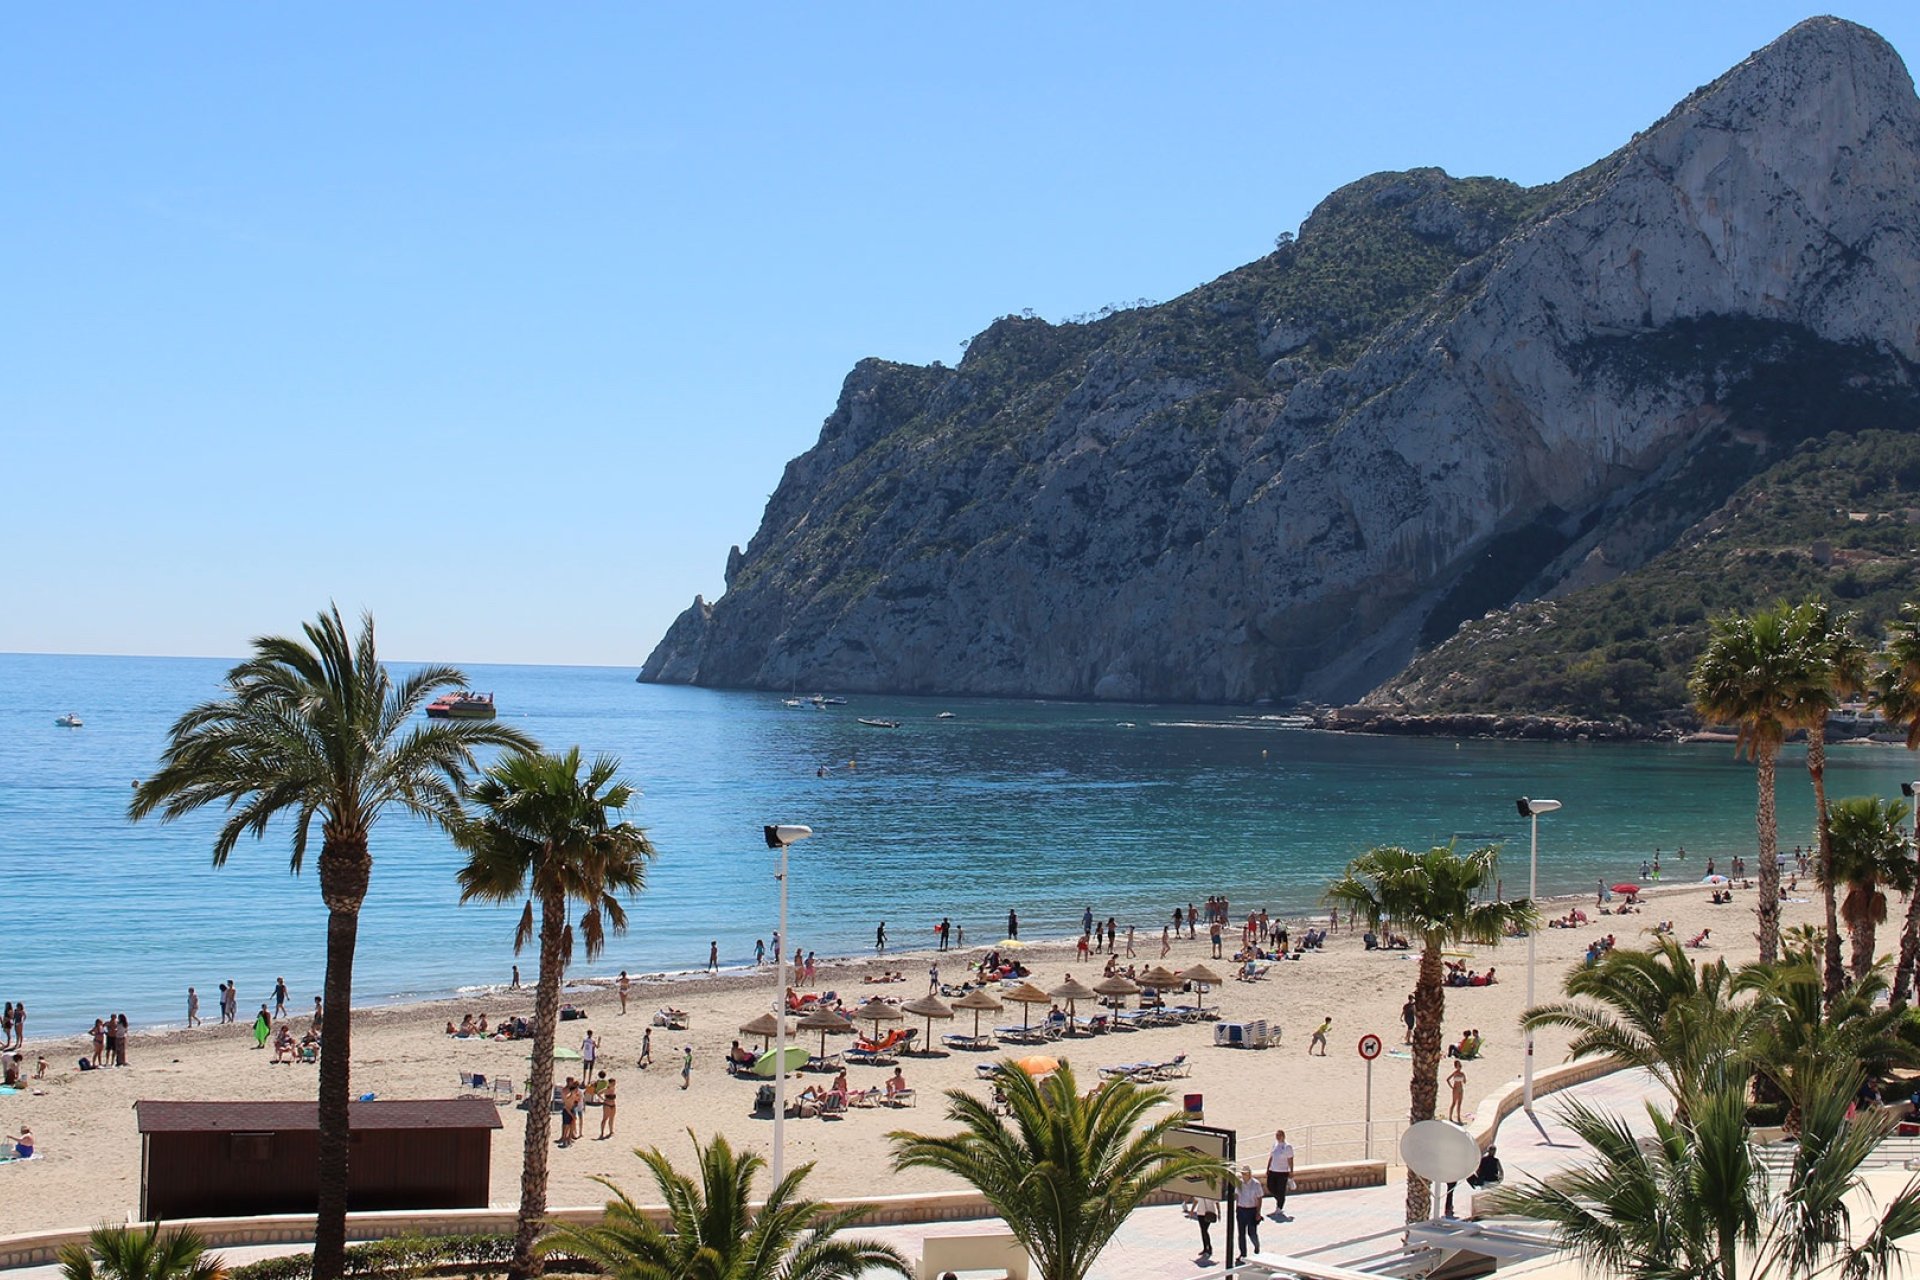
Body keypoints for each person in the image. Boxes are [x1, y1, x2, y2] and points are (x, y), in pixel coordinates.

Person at [1234, 1166, 1263, 1260]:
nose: (1243, 1175)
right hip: (1241, 1210)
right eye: (1242, 1173)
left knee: (1252, 1232)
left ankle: (1256, 1245)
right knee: (1241, 1233)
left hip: (1251, 1210)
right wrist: (1237, 1207)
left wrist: (1258, 1212)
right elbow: (1237, 1195)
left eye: (1245, 1173)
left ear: (1250, 1174)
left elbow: (1259, 1198)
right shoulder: (1239, 1183)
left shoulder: (1256, 1184)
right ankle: (1243, 1253)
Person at [1267, 1129, 1295, 1220]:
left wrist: (1291, 1171)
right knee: (1270, 1186)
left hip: (1282, 1172)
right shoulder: (1275, 1145)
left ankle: (1279, 1207)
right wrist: (1268, 1168)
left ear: (1283, 1136)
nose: (1277, 1137)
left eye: (1279, 1135)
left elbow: (1290, 1160)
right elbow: (1271, 1157)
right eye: (1276, 1135)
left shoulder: (1287, 1147)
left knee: (1281, 1189)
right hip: (1273, 1170)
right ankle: (1280, 1199)